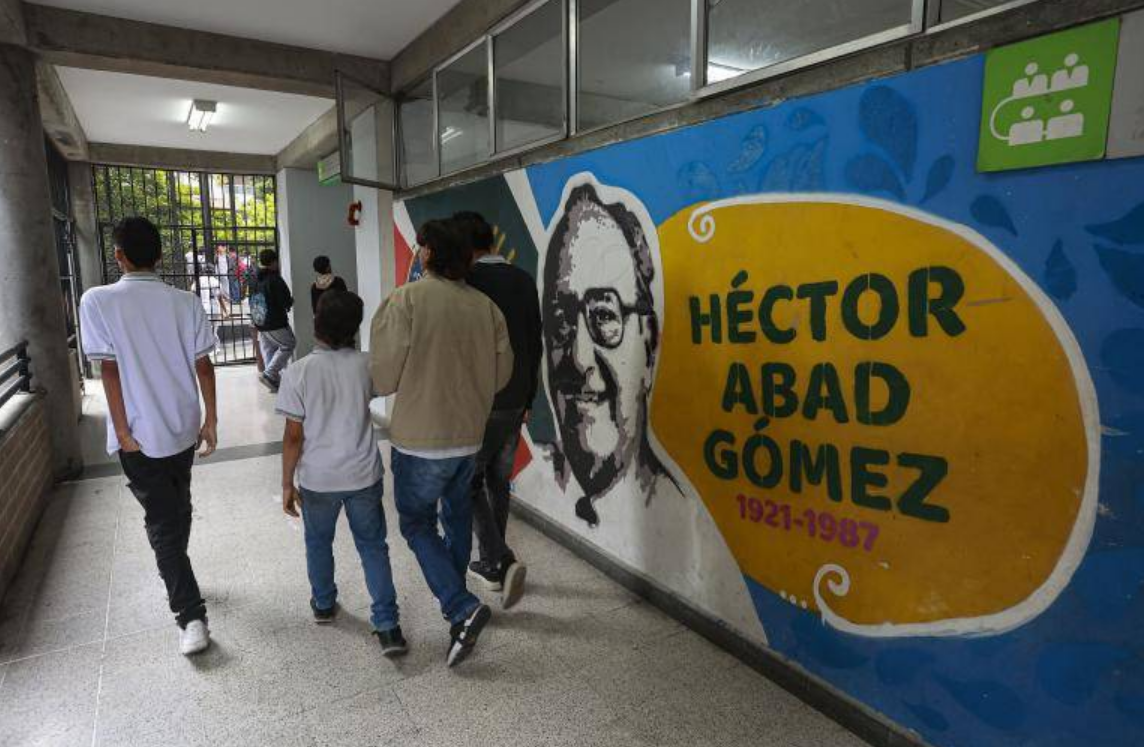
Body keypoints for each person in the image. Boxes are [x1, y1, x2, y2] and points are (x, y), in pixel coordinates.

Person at [370, 218, 512, 667]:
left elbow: (382, 376)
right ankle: (458, 618)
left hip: (419, 441)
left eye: (418, 247)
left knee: (415, 524)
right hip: (469, 437)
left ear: (427, 253)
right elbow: (503, 374)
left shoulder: (405, 300)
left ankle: (460, 607)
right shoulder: (485, 307)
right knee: (455, 519)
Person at [79, 216, 218, 656]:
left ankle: (189, 614)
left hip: (140, 433)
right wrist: (210, 420)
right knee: (173, 508)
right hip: (182, 425)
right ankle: (189, 602)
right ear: (160, 255)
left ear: (118, 255)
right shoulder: (186, 302)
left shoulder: (97, 301)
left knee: (166, 517)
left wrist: (121, 431)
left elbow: (108, 368)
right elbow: (204, 366)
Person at [542, 182, 679, 528]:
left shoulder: (683, 518)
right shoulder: (532, 480)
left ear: (649, 349)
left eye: (603, 315)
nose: (579, 358)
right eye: (560, 321)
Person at [277, 290, 407, 656]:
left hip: (318, 480)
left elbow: (292, 437)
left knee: (318, 542)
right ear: (355, 326)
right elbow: (390, 380)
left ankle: (323, 604)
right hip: (363, 475)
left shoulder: (297, 372)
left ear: (317, 323)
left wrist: (287, 484)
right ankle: (388, 626)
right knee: (372, 547)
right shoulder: (367, 365)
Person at [454, 211, 542, 608]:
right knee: (498, 481)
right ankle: (492, 561)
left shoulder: (469, 282)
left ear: (465, 246)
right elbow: (535, 341)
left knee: (465, 481)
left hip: (481, 400)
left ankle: (498, 560)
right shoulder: (523, 279)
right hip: (515, 399)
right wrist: (529, 399)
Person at [252, 249, 295, 392]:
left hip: (260, 321)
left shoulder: (256, 279)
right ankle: (270, 374)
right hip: (274, 321)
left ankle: (273, 380)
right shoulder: (275, 279)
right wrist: (289, 302)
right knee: (289, 344)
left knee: (269, 349)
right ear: (274, 262)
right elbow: (285, 300)